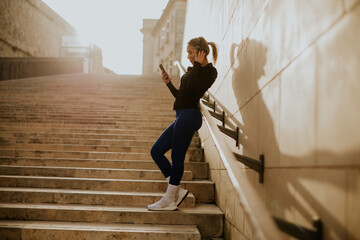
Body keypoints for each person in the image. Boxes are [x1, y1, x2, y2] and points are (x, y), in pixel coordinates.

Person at [147, 36, 218, 211]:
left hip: (190, 116)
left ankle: (170, 199)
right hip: (181, 115)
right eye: (187, 53)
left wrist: (196, 66)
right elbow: (181, 97)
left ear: (201, 52)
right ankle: (176, 191)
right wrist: (168, 84)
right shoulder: (191, 70)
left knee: (177, 157)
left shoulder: (209, 72)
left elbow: (194, 89)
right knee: (156, 151)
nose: (188, 56)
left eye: (190, 52)